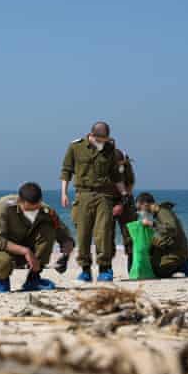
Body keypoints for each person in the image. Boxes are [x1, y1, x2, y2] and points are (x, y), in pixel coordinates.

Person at [61, 121, 132, 283]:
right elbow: (66, 170)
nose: (104, 142)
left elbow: (116, 176)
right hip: (83, 194)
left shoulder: (110, 150)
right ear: (92, 135)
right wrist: (64, 193)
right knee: (83, 233)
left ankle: (105, 269)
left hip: (104, 196)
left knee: (104, 233)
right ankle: (85, 270)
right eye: (101, 139)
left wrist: (123, 193)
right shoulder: (76, 147)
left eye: (106, 139)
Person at [0, 182, 60, 293]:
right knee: (3, 262)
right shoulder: (3, 206)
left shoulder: (45, 209)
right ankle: (1, 279)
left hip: (28, 253)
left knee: (48, 229)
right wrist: (25, 251)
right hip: (2, 251)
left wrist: (68, 244)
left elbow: (60, 229)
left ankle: (34, 278)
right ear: (20, 201)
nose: (33, 212)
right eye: (28, 209)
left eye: (36, 209)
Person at [136, 193, 188, 279]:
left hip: (176, 252)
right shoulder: (160, 213)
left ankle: (182, 265)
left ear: (145, 204)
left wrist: (151, 224)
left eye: (139, 208)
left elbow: (171, 229)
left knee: (158, 272)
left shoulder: (163, 212)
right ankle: (182, 264)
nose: (139, 211)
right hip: (175, 249)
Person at [113, 150, 137, 271]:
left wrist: (121, 204)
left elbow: (129, 187)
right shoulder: (106, 168)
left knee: (129, 235)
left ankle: (131, 265)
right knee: (106, 234)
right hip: (109, 201)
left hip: (126, 202)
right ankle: (106, 267)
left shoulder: (126, 169)